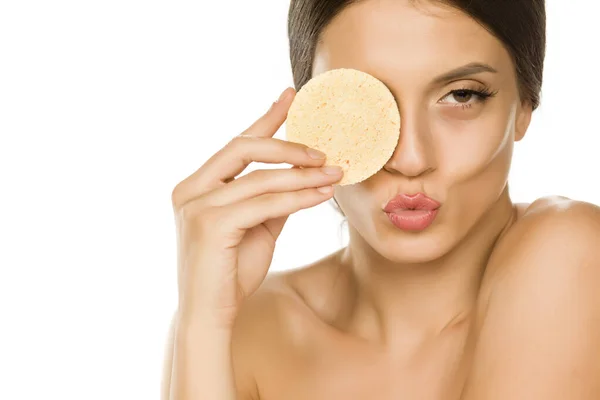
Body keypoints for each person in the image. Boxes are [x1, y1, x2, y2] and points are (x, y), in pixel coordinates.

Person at [162, 0, 600, 399]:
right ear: (311, 114)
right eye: (362, 104)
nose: (410, 158)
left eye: (462, 95)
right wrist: (202, 322)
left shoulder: (570, 251)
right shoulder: (243, 328)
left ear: (525, 105)